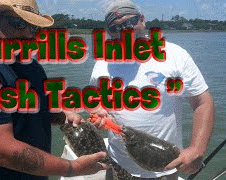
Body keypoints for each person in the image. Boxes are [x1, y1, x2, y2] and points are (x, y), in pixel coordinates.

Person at [0, 0, 108, 179]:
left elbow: (34, 112)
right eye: (18, 24)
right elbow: (1, 151)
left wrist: (64, 116)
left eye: (34, 27)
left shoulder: (32, 68)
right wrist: (72, 168)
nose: (27, 33)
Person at [90, 0, 215, 179]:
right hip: (118, 165)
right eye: (115, 27)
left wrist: (197, 149)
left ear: (142, 20)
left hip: (164, 166)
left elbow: (203, 102)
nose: (125, 30)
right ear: (109, 32)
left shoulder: (174, 55)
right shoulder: (103, 63)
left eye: (129, 22)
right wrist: (98, 111)